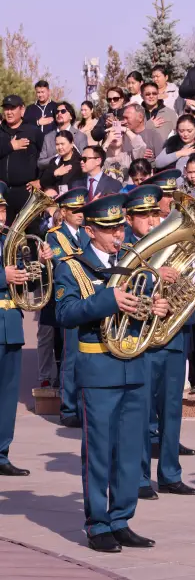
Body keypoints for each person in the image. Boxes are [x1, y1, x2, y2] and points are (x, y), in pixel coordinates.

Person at [54, 193, 168, 552]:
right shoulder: (72, 267)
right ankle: (98, 524)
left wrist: (157, 307)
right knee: (99, 452)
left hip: (134, 366)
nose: (117, 234)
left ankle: (121, 519)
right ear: (90, 230)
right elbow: (65, 314)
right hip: (99, 370)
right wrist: (108, 299)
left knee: (131, 451)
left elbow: (145, 307)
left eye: (119, 227)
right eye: (108, 229)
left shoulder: (135, 262)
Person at [126, 185, 195, 500]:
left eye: (153, 213)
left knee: (172, 408)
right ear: (129, 218)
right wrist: (154, 273)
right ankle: (139, 477)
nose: (152, 220)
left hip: (174, 334)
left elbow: (185, 285)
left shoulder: (173, 243)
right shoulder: (125, 249)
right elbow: (120, 286)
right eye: (144, 215)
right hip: (142, 337)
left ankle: (170, 474)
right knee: (142, 409)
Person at [0, 181, 53, 477]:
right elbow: (7, 277)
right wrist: (2, 276)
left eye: (3, 210)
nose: (1, 216)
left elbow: (27, 282)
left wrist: (40, 265)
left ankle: (1, 453)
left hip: (10, 325)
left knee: (7, 397)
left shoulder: (12, 241)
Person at [46, 187, 90, 428]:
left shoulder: (87, 232)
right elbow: (63, 261)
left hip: (90, 299)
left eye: (82, 209)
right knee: (71, 356)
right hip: (71, 299)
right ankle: (68, 408)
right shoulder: (54, 235)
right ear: (63, 212)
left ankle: (84, 406)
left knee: (88, 355)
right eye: (75, 210)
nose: (80, 214)